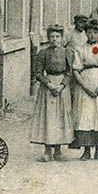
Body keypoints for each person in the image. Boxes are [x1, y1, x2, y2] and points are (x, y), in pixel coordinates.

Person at [70, 20, 98, 161]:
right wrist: (85, 86)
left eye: (95, 32)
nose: (92, 35)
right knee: (85, 114)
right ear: (85, 33)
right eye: (89, 32)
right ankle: (86, 150)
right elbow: (76, 70)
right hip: (85, 84)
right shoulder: (80, 49)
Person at [30, 24, 75, 162]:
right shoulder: (43, 53)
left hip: (62, 86)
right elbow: (37, 72)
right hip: (47, 86)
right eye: (52, 37)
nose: (54, 39)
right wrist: (48, 84)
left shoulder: (67, 52)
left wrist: (62, 85)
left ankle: (58, 151)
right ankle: (47, 150)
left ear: (61, 38)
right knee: (48, 117)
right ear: (48, 38)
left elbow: (70, 72)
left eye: (57, 36)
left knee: (60, 117)